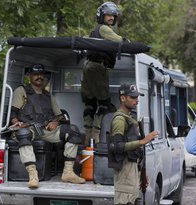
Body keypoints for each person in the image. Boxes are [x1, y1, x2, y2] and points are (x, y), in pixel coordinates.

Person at [10, 64, 85, 188]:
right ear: (29, 76)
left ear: (44, 76)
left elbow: (61, 116)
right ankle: (33, 175)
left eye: (41, 74)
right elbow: (13, 112)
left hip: (46, 130)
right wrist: (15, 122)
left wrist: (55, 122)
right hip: (28, 129)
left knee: (73, 131)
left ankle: (68, 172)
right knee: (24, 134)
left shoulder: (48, 95)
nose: (39, 77)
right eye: (35, 74)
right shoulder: (22, 91)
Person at [81, 1, 125, 145]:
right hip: (98, 67)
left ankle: (87, 136)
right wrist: (128, 42)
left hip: (88, 66)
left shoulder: (94, 30)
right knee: (104, 103)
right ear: (102, 16)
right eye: (108, 15)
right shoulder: (104, 29)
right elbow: (119, 41)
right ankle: (96, 135)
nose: (112, 18)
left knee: (90, 103)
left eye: (114, 16)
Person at [108, 83, 159, 205]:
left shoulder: (130, 117)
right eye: (133, 97)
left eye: (137, 97)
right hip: (125, 169)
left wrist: (140, 174)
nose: (136, 100)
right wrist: (143, 141)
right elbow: (117, 146)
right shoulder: (120, 119)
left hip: (132, 169)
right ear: (122, 98)